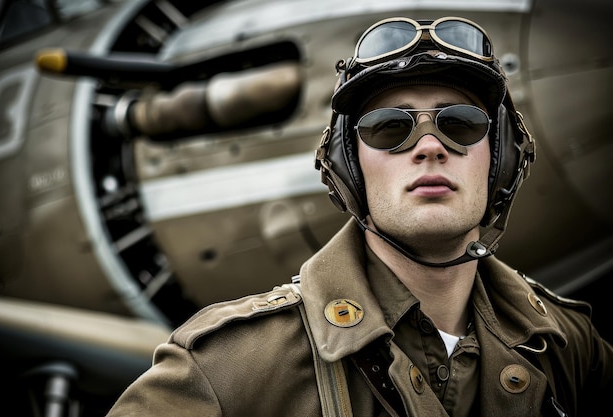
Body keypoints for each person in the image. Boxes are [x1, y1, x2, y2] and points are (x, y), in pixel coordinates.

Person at [106, 16, 613, 417]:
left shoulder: (572, 349)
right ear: (349, 169)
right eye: (389, 128)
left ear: (499, 159)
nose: (430, 146)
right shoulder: (229, 368)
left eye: (461, 123)